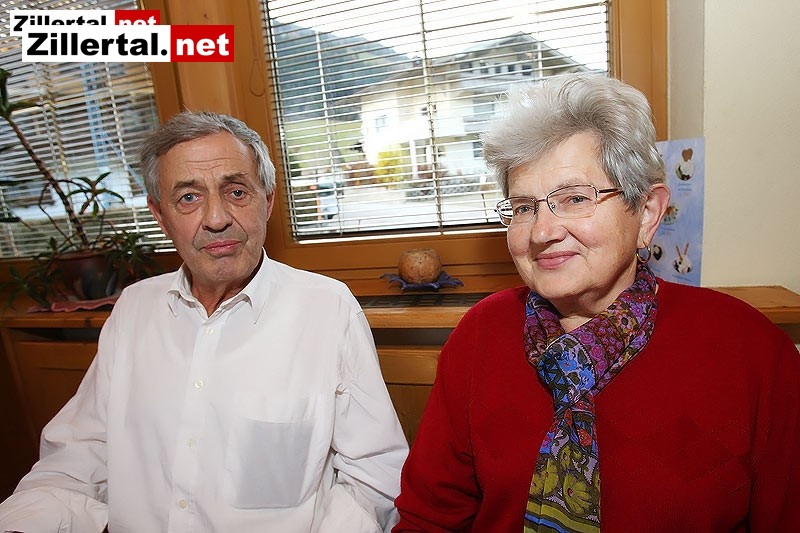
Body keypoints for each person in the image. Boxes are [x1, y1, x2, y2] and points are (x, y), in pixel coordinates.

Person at [393, 74, 800, 532]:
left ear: (646, 213)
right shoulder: (482, 334)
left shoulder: (751, 351)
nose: (542, 231)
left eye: (574, 198)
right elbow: (429, 518)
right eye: (523, 207)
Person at [0, 111, 408, 532]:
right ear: (161, 216)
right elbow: (78, 457)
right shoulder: (134, 309)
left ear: (267, 202)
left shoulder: (327, 308)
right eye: (188, 198)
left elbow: (373, 476)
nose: (216, 218)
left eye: (236, 191)